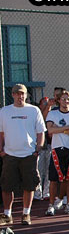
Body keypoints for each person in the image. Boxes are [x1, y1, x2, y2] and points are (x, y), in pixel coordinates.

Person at [0, 84, 46, 226]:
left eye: (22, 94)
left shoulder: (34, 110)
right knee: (7, 187)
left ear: (26, 95)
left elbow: (41, 132)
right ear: (12, 95)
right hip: (10, 155)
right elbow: (1, 133)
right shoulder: (4, 111)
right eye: (17, 93)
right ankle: (7, 214)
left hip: (29, 155)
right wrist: (1, 150)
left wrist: (37, 149)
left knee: (29, 185)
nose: (20, 96)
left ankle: (26, 214)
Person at [45, 90, 69, 216]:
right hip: (56, 150)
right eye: (63, 99)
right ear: (59, 100)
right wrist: (67, 128)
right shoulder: (52, 113)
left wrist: (59, 129)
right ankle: (51, 205)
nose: (65, 101)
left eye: (68, 99)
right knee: (53, 179)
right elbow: (50, 130)